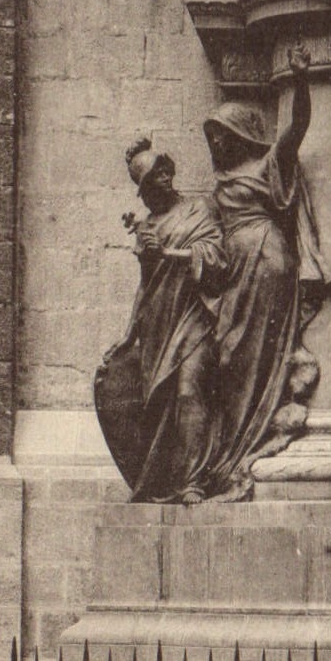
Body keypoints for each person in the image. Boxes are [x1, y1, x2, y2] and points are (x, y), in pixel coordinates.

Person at [203, 45, 330, 490]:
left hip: (267, 262)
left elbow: (296, 128)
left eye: (220, 134)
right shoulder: (218, 184)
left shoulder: (267, 164)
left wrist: (300, 81)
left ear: (239, 134)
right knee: (228, 351)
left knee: (248, 350)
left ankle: (245, 439)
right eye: (211, 136)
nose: (215, 143)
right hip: (233, 270)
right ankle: (231, 445)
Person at [94, 138, 225, 503]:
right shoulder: (148, 226)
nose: (164, 178)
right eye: (155, 175)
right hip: (159, 323)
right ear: (145, 188)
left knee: (188, 391)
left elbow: (216, 258)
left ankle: (194, 481)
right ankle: (167, 479)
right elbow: (145, 287)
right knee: (159, 402)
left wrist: (167, 252)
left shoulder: (200, 210)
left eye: (165, 169)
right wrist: (127, 336)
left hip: (194, 316)